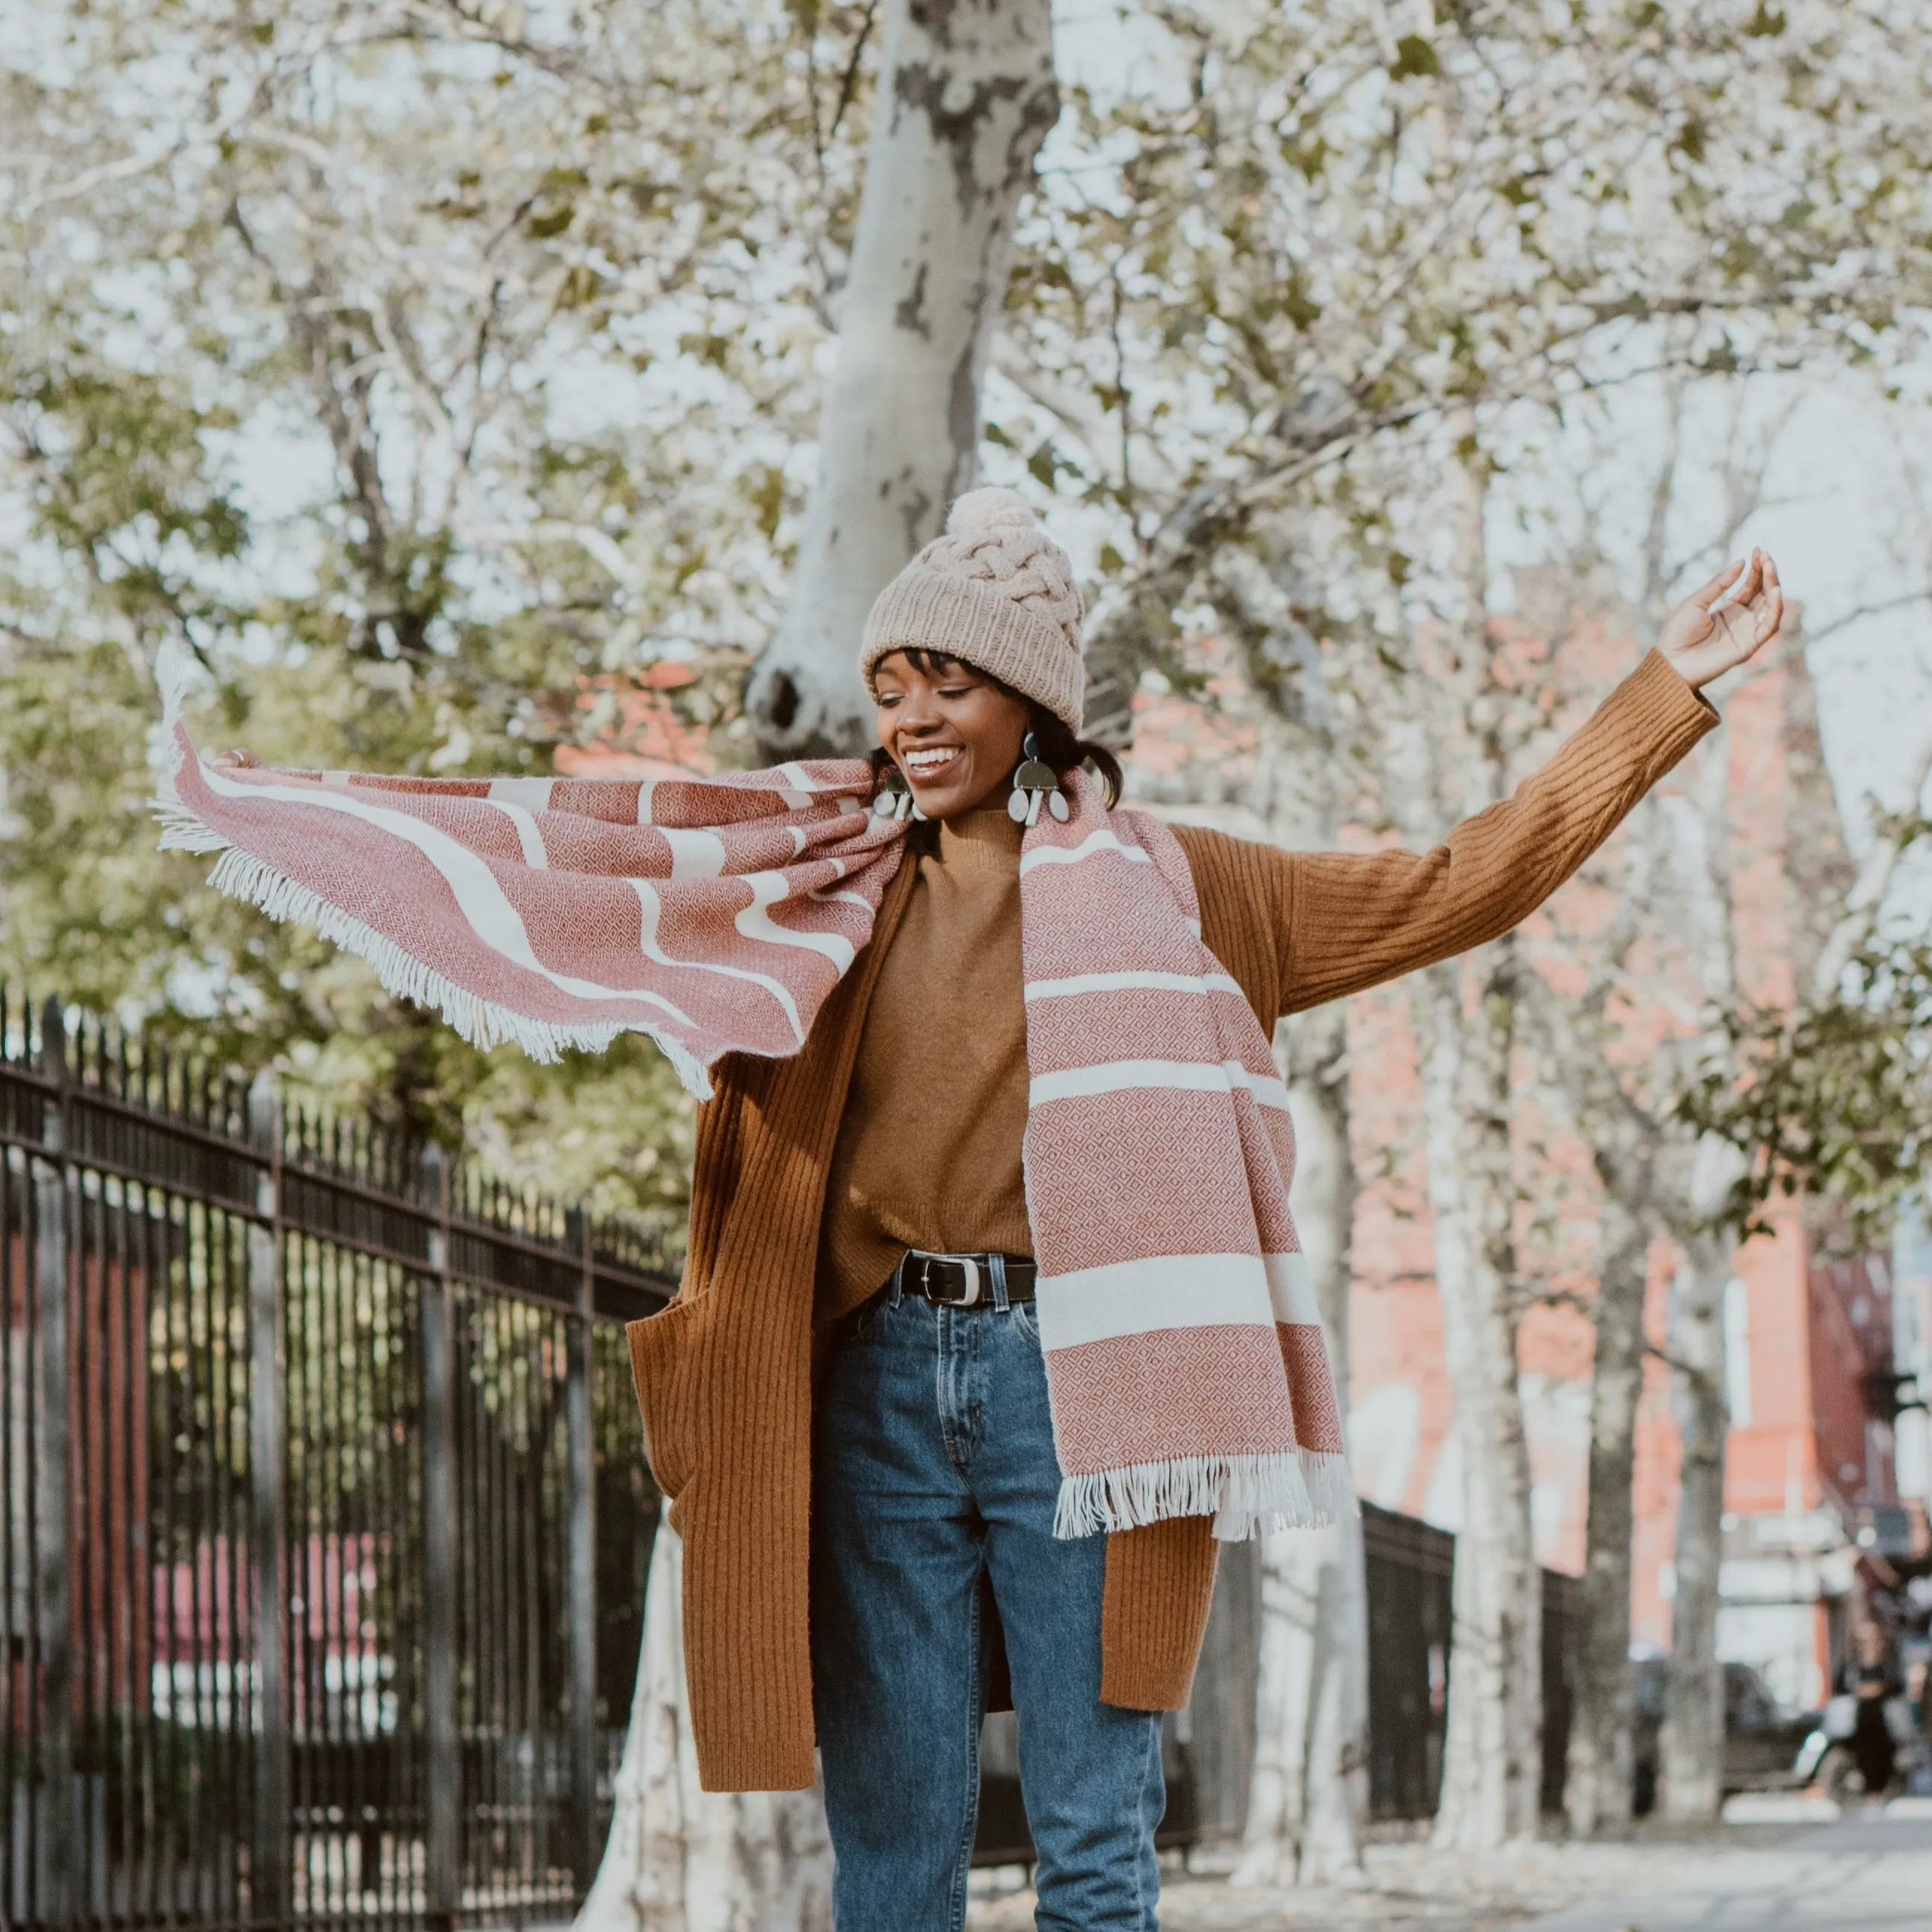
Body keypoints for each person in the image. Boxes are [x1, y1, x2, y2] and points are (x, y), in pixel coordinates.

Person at [194, 488, 1783, 1931]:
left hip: (1088, 1386)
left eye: (947, 682)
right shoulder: (809, 872)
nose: (911, 718)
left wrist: (1666, 691)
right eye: (891, 688)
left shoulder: (1193, 894)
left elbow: (1464, 879)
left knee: (1096, 1832)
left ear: (1032, 697)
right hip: (878, 1383)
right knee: (893, 1843)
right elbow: (560, 854)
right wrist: (288, 809)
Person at [1843, 1619, 1904, 1799]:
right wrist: (1862, 1691)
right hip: (1860, 1719)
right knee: (1864, 1754)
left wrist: (1879, 1689)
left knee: (1884, 1752)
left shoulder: (1888, 1661)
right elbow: (1842, 1686)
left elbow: (1897, 1685)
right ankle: (1870, 1790)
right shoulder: (1853, 1663)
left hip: (1885, 1719)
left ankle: (1883, 1789)